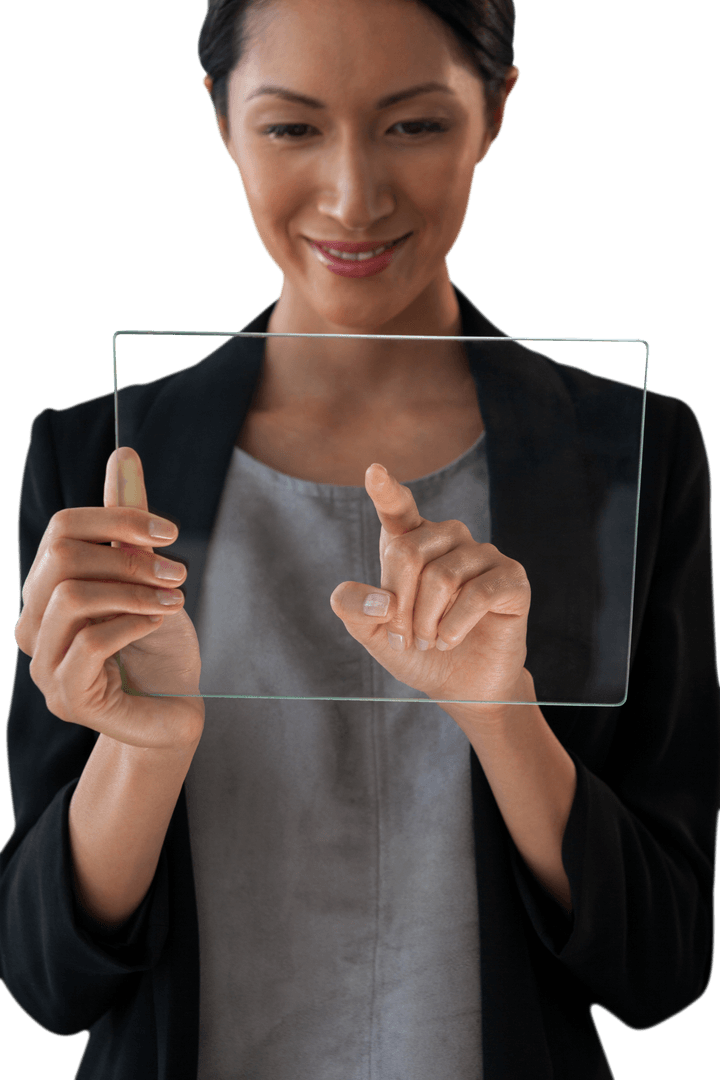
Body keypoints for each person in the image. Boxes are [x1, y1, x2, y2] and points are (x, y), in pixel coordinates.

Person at [1, 1, 718, 1078]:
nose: (353, 196)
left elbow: (661, 968)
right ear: (221, 120)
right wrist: (139, 751)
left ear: (496, 112)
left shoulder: (633, 454)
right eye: (292, 127)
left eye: (414, 126)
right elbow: (46, 981)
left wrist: (503, 717)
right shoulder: (96, 461)